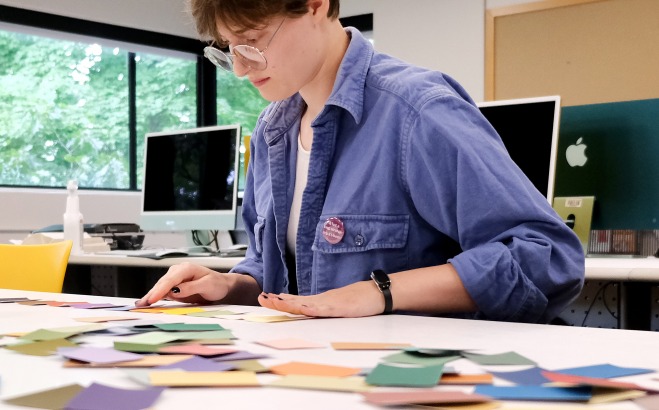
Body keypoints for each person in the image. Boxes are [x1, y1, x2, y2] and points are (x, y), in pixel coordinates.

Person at [136, 0, 585, 323]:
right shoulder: (274, 129)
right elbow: (277, 271)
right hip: (316, 373)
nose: (239, 68)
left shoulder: (418, 111)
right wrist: (230, 285)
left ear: (315, 6)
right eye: (227, 48)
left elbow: (547, 258)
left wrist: (380, 292)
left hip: (412, 378)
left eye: (251, 42)